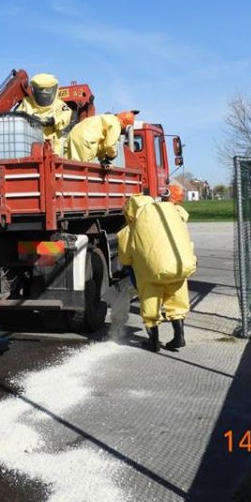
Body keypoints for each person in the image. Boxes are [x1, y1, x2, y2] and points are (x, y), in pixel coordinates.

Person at [117, 184, 196, 352]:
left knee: (150, 302)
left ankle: (153, 341)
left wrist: (129, 264)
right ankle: (179, 335)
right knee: (177, 299)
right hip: (180, 266)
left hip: (152, 272)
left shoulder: (131, 227)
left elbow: (125, 256)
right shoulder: (172, 214)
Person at [15, 73, 73, 155]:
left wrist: (53, 121)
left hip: (52, 149)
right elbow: (17, 117)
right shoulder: (27, 102)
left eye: (47, 90)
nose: (44, 93)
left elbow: (66, 116)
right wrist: (29, 119)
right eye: (41, 90)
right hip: (29, 146)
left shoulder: (59, 105)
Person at [65, 111, 135, 164]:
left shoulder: (106, 118)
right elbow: (109, 145)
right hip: (86, 141)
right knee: (81, 169)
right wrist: (112, 155)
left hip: (72, 135)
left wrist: (103, 158)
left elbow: (101, 144)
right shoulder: (116, 125)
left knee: (68, 165)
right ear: (126, 125)